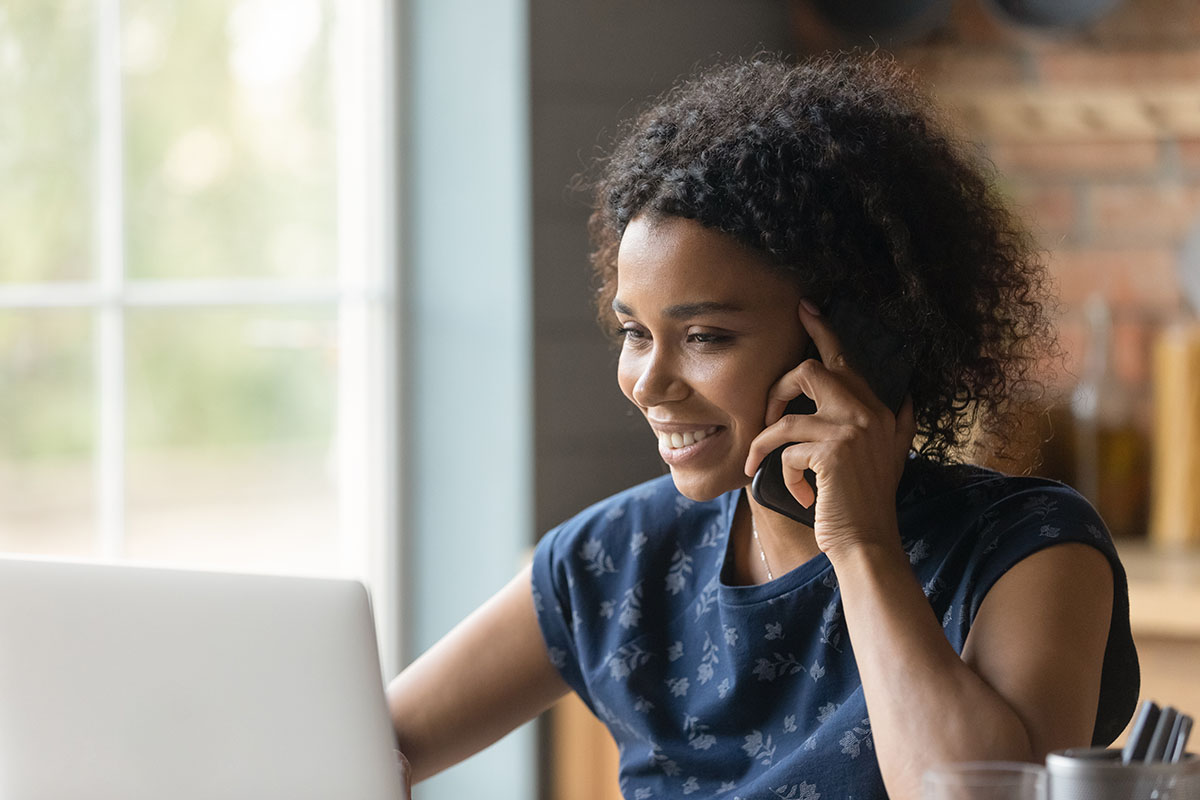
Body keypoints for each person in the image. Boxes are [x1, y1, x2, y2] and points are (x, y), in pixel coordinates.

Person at [386, 53, 1138, 800]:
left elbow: (974, 797)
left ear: (853, 342)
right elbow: (369, 745)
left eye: (706, 337)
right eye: (635, 333)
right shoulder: (617, 559)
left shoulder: (1028, 549)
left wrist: (861, 547)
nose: (649, 383)